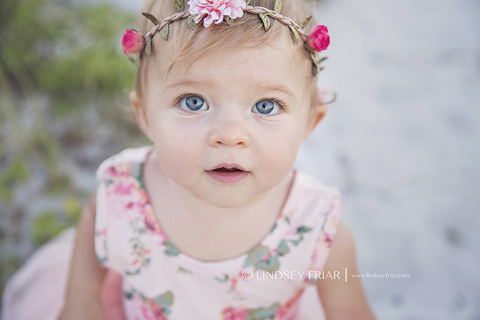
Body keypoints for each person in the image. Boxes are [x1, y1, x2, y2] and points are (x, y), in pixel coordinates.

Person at [3, 0, 376, 318]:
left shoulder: (315, 225)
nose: (230, 134)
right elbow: (93, 217)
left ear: (309, 123)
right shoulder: (126, 188)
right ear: (145, 115)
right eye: (193, 102)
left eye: (266, 105)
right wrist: (82, 297)